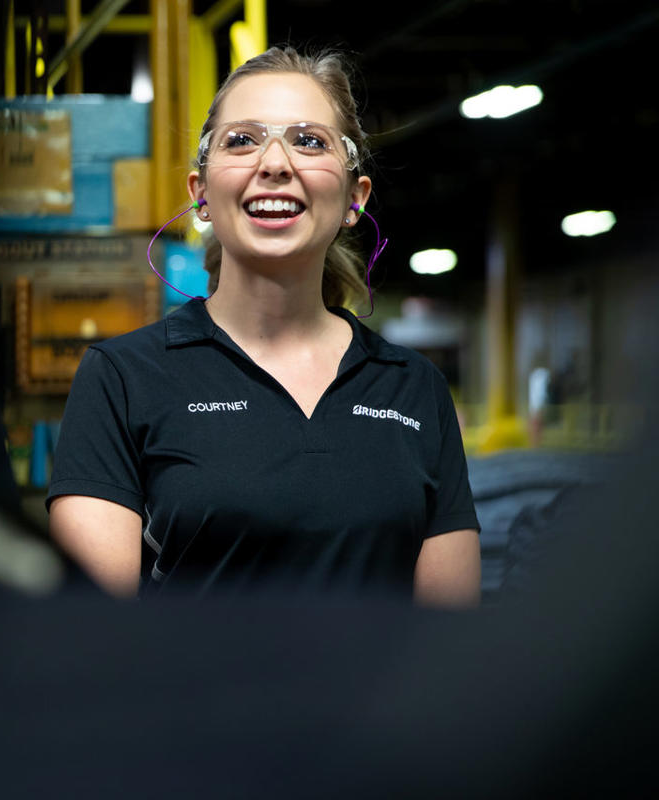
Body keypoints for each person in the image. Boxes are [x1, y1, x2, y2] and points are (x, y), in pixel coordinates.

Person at [46, 46, 481, 606]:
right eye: (242, 140)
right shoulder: (123, 379)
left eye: (309, 141)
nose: (275, 163)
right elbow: (88, 637)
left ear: (355, 198)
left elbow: (446, 641)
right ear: (200, 194)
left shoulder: (414, 388)